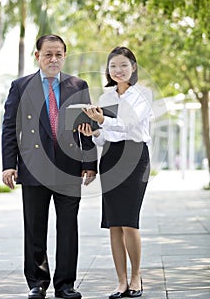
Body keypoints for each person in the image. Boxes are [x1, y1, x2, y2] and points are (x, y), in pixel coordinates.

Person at [2, 34, 97, 299]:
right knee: (35, 228)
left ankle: (65, 285)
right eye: (48, 54)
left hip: (68, 167)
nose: (53, 59)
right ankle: (37, 283)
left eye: (58, 54)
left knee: (68, 228)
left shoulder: (78, 85)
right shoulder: (20, 86)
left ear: (64, 56)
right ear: (38, 56)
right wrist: (9, 164)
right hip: (33, 168)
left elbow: (86, 128)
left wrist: (89, 162)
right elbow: (10, 127)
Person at [79, 46, 152, 298]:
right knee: (114, 225)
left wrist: (102, 121)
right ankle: (121, 281)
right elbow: (107, 137)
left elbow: (130, 127)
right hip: (110, 158)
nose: (118, 70)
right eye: (113, 66)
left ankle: (136, 278)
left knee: (130, 222)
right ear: (108, 71)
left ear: (133, 67)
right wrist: (95, 132)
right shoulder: (106, 97)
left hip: (135, 158)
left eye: (123, 65)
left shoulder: (143, 95)